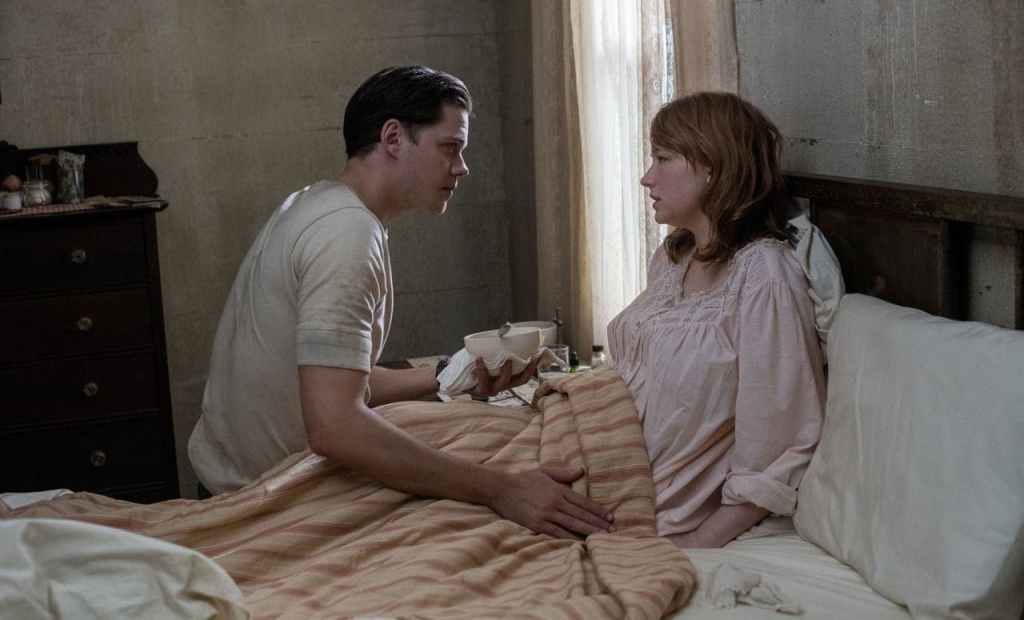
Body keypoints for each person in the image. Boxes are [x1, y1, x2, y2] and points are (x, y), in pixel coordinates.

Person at [188, 66, 614, 539]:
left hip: (228, 479)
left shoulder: (316, 204)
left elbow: (341, 383)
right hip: (258, 502)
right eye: (450, 147)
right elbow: (334, 425)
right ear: (393, 137)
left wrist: (452, 374)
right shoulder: (346, 233)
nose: (462, 167)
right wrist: (500, 489)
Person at [606, 91, 826, 548]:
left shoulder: (763, 276)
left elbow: (779, 439)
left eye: (663, 158)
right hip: (599, 451)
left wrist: (700, 543)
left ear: (712, 167)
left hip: (642, 499)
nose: (647, 177)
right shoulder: (673, 258)